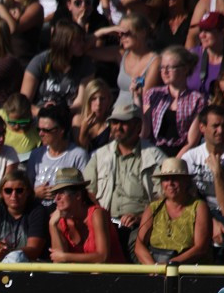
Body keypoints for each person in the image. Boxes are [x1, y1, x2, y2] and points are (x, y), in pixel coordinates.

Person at [84, 103, 167, 260]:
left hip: (141, 224)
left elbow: (164, 196)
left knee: (138, 246)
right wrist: (101, 218)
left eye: (124, 123)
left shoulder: (154, 156)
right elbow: (87, 191)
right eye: (114, 122)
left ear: (138, 126)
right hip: (106, 223)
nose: (118, 127)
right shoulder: (100, 155)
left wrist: (142, 217)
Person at [180, 104, 224, 260]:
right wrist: (210, 222)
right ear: (202, 128)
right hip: (198, 213)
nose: (221, 131)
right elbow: (186, 199)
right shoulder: (190, 158)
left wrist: (217, 173)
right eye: (215, 126)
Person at [136, 157, 212, 264]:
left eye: (175, 178)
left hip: (186, 271)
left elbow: (200, 247)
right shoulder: (153, 208)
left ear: (186, 182)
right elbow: (139, 245)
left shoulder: (199, 207)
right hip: (156, 270)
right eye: (166, 179)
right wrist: (154, 268)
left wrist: (171, 265)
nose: (170, 183)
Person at [48, 167, 126, 263]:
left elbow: (102, 257)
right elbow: (58, 263)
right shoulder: (58, 221)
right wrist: (52, 225)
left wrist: (66, 257)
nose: (56, 198)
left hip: (110, 276)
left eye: (62, 193)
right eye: (55, 193)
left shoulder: (97, 214)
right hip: (80, 277)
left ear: (78, 195)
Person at [142, 45, 204, 157]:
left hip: (181, 155)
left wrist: (175, 163)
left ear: (185, 69)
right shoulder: (152, 94)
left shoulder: (197, 99)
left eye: (170, 67)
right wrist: (137, 99)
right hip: (153, 153)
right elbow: (144, 133)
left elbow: (191, 142)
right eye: (162, 67)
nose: (164, 72)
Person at [21, 19, 94, 114]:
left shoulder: (85, 64)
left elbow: (79, 104)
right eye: (78, 40)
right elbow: (24, 101)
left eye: (83, 39)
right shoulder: (40, 61)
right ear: (65, 42)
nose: (82, 44)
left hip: (67, 114)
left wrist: (60, 113)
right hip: (39, 113)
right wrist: (44, 113)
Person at [26, 103, 89, 207]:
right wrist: (35, 193)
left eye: (46, 130)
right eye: (39, 129)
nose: (41, 134)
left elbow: (85, 190)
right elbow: (26, 188)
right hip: (36, 210)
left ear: (61, 131)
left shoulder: (78, 155)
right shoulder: (36, 154)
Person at [93, 13, 160, 108]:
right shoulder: (120, 54)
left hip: (138, 116)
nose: (122, 37)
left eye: (126, 33)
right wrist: (105, 31)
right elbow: (84, 50)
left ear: (143, 32)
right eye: (120, 34)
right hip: (117, 114)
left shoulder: (155, 60)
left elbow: (145, 97)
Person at [0, 170, 48, 262]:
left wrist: (8, 252)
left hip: (28, 263)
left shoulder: (38, 211)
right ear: (1, 193)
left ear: (28, 192)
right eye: (8, 191)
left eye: (19, 191)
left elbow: (34, 250)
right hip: (0, 261)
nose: (14, 195)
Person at [186, 12, 224, 100]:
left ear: (223, 32)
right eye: (201, 30)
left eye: (208, 31)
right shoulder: (191, 56)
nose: (202, 35)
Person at [0, 0, 44, 64]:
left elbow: (13, 29)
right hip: (0, 61)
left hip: (21, 63)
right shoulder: (4, 5)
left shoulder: (35, 7)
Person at [73, 79, 114, 153]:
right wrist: (83, 131)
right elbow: (80, 152)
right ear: (87, 100)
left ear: (109, 100)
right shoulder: (78, 119)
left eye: (102, 99)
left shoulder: (112, 121)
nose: (98, 103)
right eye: (93, 99)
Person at [0, 93, 41, 159]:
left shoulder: (37, 130)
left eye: (23, 123)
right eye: (12, 123)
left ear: (30, 117)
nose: (17, 126)